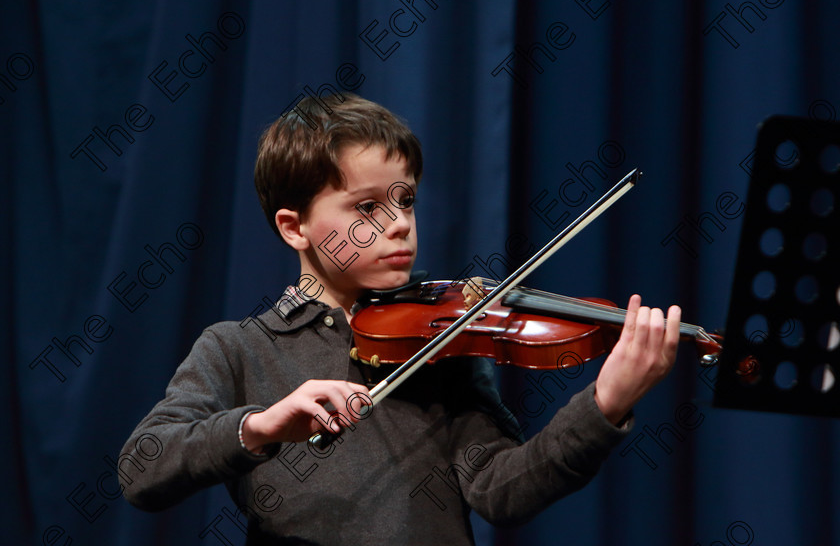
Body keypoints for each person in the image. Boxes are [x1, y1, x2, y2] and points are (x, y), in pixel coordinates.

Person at [118, 92, 681, 544]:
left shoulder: (439, 345)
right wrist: (260, 426)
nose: (399, 224)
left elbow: (502, 492)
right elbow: (142, 470)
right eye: (368, 208)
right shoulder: (238, 348)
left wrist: (604, 404)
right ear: (295, 227)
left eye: (405, 200)